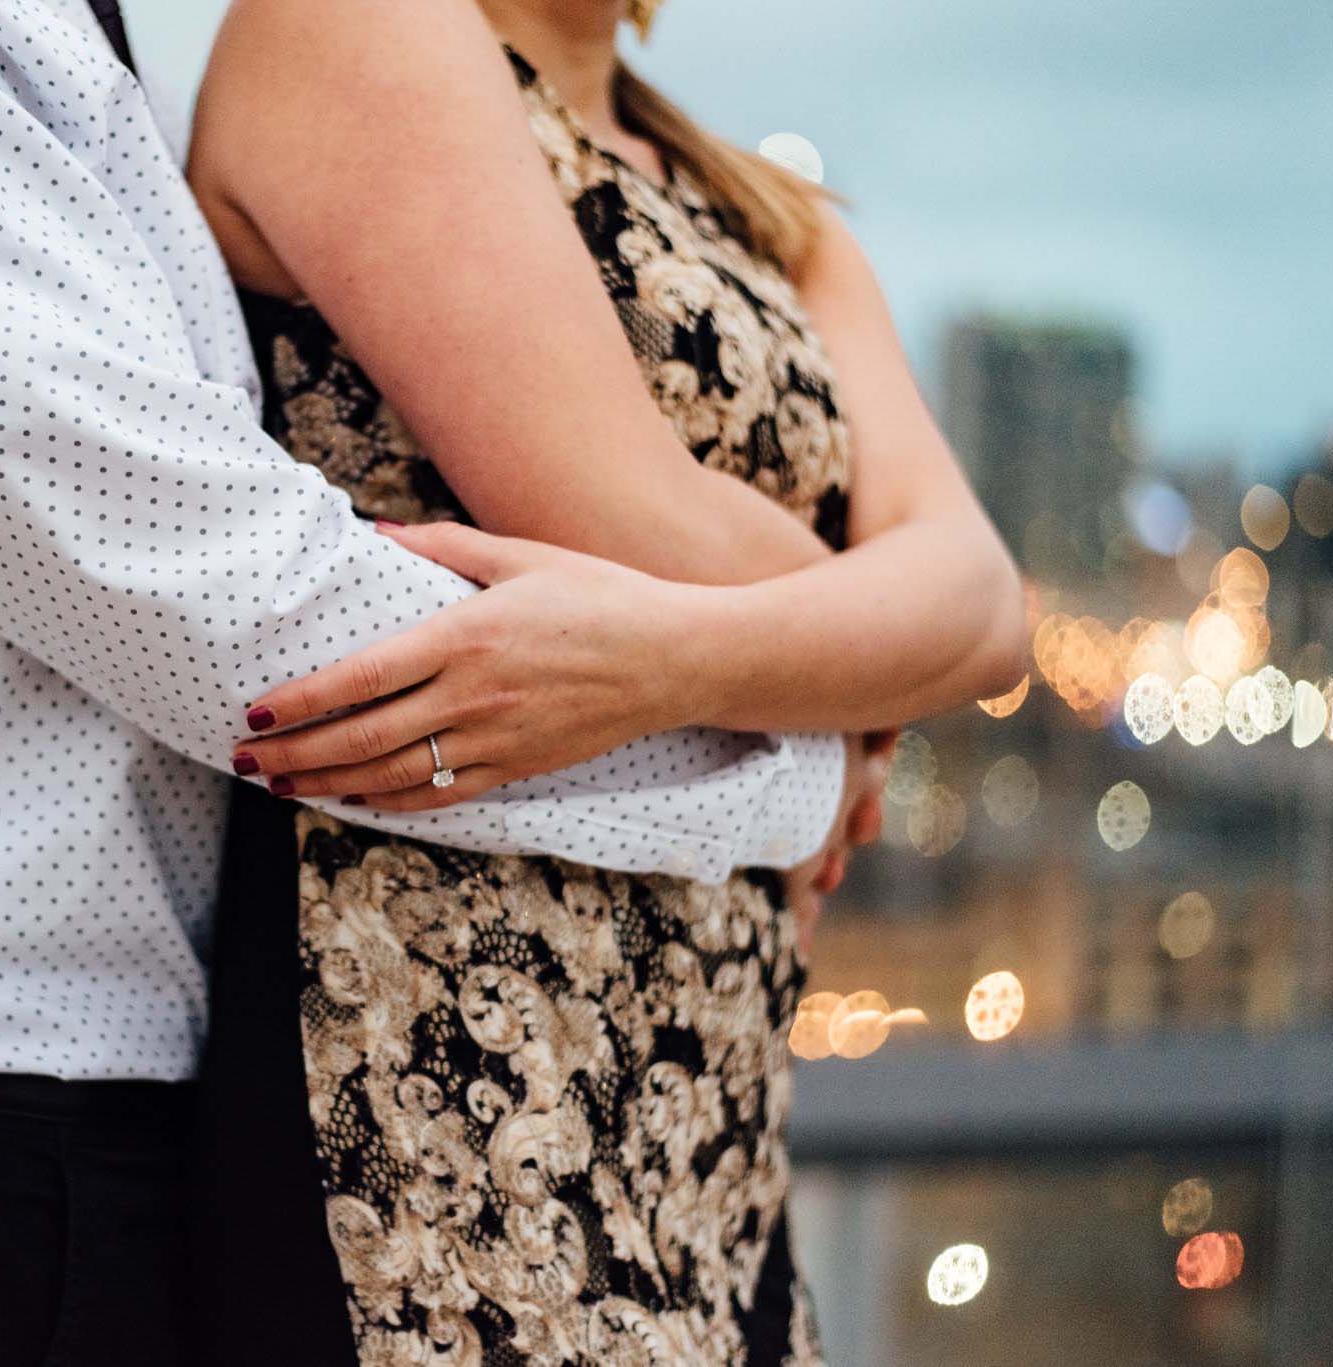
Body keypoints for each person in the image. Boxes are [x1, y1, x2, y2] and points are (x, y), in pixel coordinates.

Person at [0, 1, 941, 1364]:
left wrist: (795, 691)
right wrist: (796, 749)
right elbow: (244, 627)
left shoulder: (72, 57)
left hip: (108, 1133)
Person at [182, 0, 1024, 1362]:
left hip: (717, 1091)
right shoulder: (352, 25)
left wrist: (678, 659)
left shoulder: (771, 211)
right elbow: (635, 521)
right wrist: (850, 669)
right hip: (440, 1047)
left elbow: (987, 605)